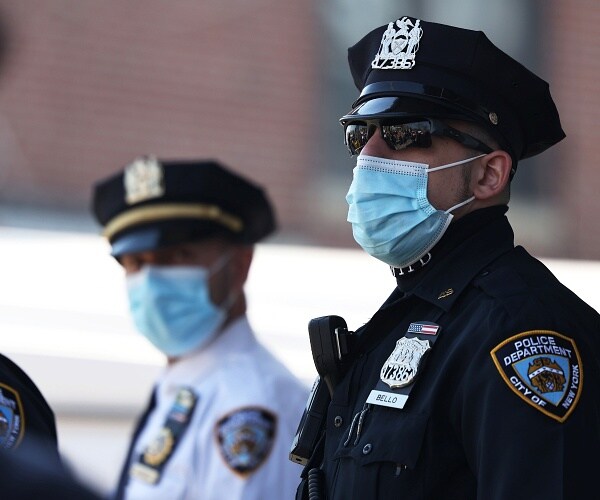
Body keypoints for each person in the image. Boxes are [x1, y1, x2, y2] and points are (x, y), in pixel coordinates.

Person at [294, 15, 600, 500]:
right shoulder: (405, 320)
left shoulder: (522, 331)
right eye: (360, 134)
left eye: (406, 133)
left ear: (488, 176)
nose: (368, 156)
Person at [91, 157, 309, 500]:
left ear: (238, 267)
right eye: (135, 263)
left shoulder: (249, 405)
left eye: (175, 257)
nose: (150, 282)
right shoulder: (187, 384)